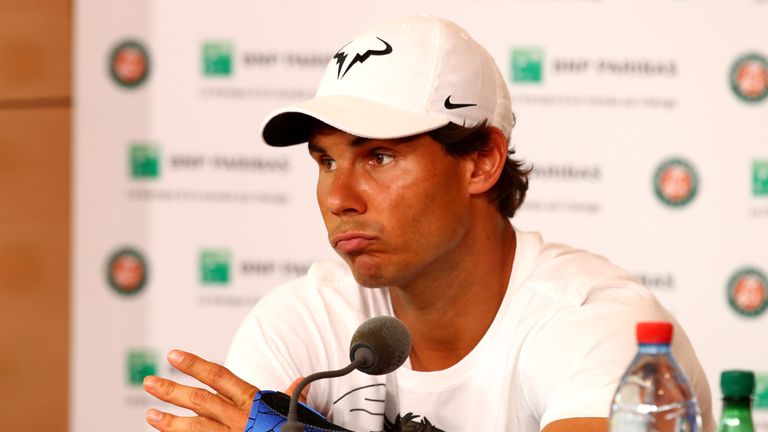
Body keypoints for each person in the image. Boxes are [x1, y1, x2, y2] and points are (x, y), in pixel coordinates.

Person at [143, 15, 714, 432]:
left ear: (481, 161)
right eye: (325, 160)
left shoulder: (595, 322)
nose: (339, 196)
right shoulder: (303, 320)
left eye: (379, 157)